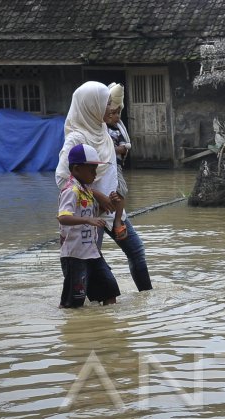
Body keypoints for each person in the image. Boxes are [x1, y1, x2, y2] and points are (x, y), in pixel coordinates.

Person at [55, 81, 151, 291]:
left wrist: (117, 217)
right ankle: (82, 310)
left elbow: (112, 177)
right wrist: (98, 196)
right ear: (92, 106)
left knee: (136, 251)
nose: (111, 109)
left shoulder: (102, 131)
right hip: (87, 213)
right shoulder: (76, 138)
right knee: (87, 261)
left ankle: (148, 299)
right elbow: (63, 179)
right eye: (106, 104)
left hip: (111, 209)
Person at [57, 143, 121, 308]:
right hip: (75, 256)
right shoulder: (71, 190)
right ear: (77, 169)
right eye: (91, 169)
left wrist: (109, 205)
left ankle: (103, 330)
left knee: (110, 293)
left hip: (92, 254)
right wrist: (88, 220)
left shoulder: (87, 190)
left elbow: (90, 215)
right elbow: (63, 217)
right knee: (73, 304)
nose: (95, 173)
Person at [104, 83, 131, 240]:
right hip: (106, 169)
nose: (117, 116)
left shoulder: (116, 131)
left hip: (116, 167)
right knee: (117, 193)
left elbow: (123, 148)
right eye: (114, 113)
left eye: (119, 113)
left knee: (121, 192)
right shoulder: (100, 130)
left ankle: (117, 220)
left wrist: (117, 149)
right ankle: (117, 220)